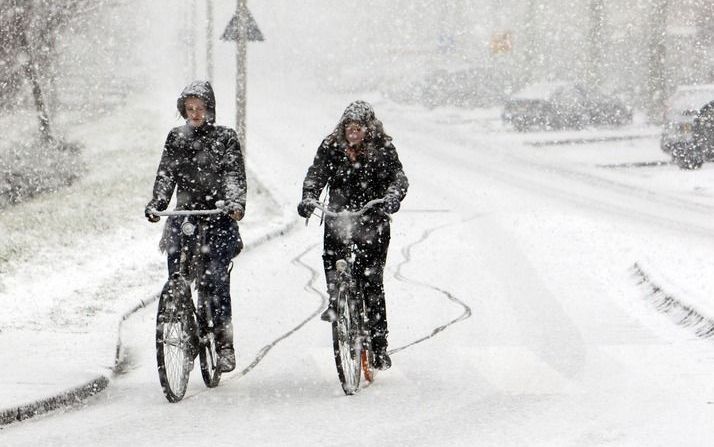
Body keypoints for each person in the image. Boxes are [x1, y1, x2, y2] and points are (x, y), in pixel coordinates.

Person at [297, 100, 408, 370]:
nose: (353, 133)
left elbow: (398, 177)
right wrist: (309, 197)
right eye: (349, 127)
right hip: (339, 216)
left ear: (367, 129)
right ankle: (336, 300)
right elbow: (316, 174)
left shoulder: (382, 148)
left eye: (358, 128)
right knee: (332, 258)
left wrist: (392, 197)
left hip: (372, 219)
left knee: (371, 282)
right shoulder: (330, 146)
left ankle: (379, 346)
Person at [145, 80, 246, 373]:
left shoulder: (225, 137)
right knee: (176, 274)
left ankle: (224, 344)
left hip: (217, 215)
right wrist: (158, 204)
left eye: (200, 108)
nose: (195, 114)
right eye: (189, 109)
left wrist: (234, 203)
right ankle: (182, 324)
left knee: (216, 279)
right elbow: (166, 174)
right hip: (185, 216)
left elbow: (233, 174)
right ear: (183, 111)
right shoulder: (176, 138)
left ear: (209, 109)